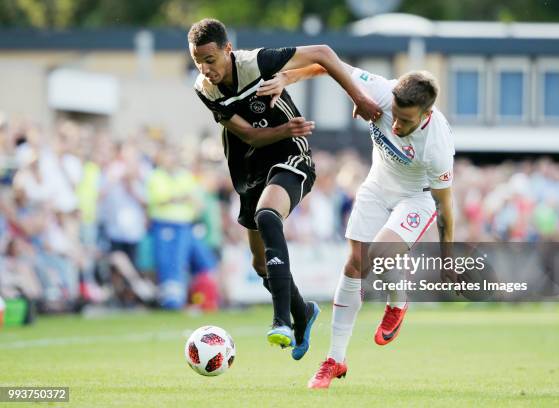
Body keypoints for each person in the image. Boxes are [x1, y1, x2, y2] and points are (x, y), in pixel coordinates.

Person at [187, 18, 381, 359]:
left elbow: (322, 53)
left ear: (228, 50)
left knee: (267, 215)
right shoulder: (204, 87)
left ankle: (281, 321)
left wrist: (360, 98)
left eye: (211, 60)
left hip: (292, 155)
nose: (206, 69)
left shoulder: (256, 63)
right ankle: (303, 313)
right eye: (198, 62)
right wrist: (283, 129)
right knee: (260, 264)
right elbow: (247, 134)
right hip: (250, 166)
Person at [258, 62, 456, 387]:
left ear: (426, 115)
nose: (396, 125)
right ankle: (335, 359)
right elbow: (326, 63)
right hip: (377, 186)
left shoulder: (437, 146)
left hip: (415, 199)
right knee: (354, 266)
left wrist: (448, 256)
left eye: (406, 121)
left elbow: (445, 205)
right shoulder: (380, 89)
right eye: (395, 115)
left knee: (377, 256)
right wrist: (285, 77)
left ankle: (398, 300)